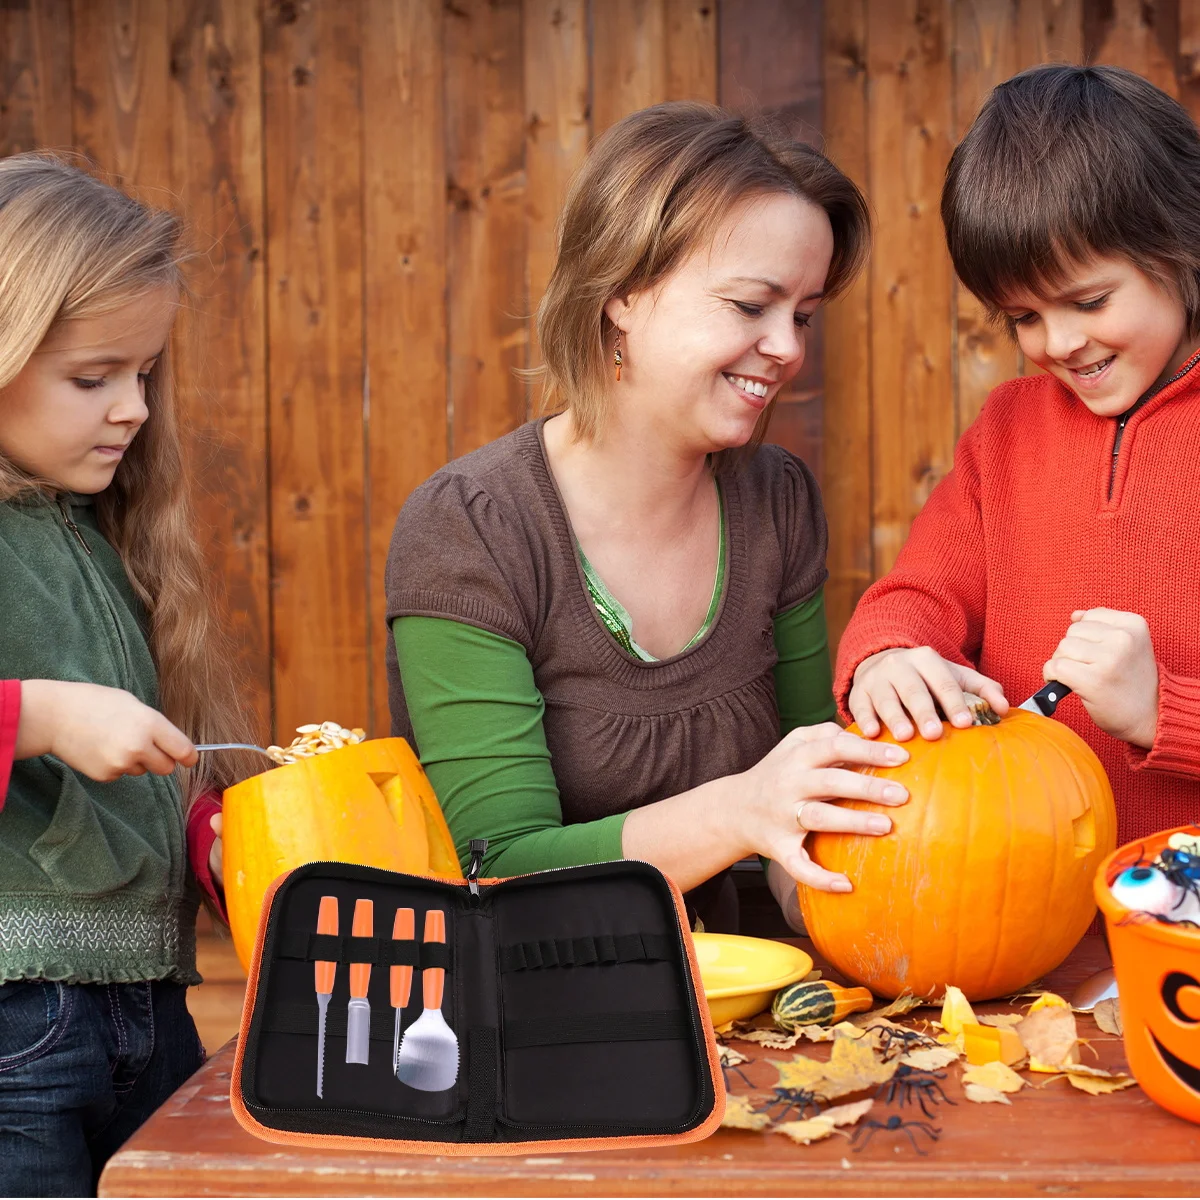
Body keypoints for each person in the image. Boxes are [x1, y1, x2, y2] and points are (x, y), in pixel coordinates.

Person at [386, 102, 912, 936]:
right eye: (750, 306)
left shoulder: (776, 499)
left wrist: (878, 909)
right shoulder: (472, 528)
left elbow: (808, 806)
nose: (788, 348)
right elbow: (498, 864)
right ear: (623, 292)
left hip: (754, 990)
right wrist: (736, 811)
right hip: (539, 1008)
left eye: (803, 315)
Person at [838, 64, 1200, 846]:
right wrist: (889, 660)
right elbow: (917, 595)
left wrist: (1160, 709)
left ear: (1182, 244)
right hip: (1021, 918)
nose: (1060, 343)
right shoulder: (1006, 431)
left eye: (1090, 301)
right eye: (1024, 317)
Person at [0, 153, 255, 1196]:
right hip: (18, 1036)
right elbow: (56, 731)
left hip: (148, 1011)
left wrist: (210, 839)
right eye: (91, 377)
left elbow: (118, 800)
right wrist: (39, 716)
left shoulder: (103, 540)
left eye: (143, 373)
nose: (134, 408)